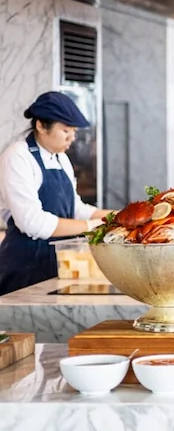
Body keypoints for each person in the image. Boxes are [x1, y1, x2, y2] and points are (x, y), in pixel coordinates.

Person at [0, 93, 114, 295]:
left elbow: (75, 208)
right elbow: (32, 223)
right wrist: (90, 227)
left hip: (59, 263)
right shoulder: (18, 157)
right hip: (25, 266)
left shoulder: (61, 158)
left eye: (74, 131)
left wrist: (115, 217)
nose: (72, 138)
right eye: (66, 131)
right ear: (41, 126)